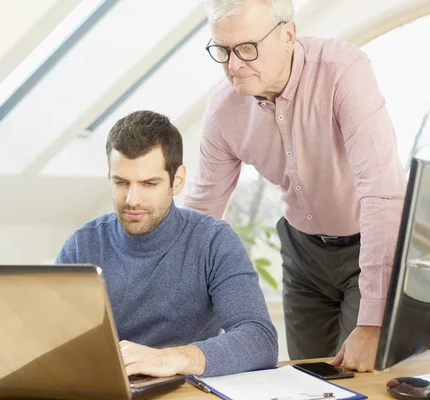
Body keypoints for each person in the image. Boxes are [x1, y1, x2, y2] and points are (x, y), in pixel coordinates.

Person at [184, 0, 406, 372]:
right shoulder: (223, 109)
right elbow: (200, 211)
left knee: (361, 376)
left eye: (247, 49)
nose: (233, 65)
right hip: (303, 255)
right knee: (309, 377)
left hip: (368, 244)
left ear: (288, 35)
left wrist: (373, 321)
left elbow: (381, 191)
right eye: (222, 50)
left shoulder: (343, 72)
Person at [56, 110, 278, 377]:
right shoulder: (83, 245)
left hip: (184, 389)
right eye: (121, 182)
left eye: (149, 183)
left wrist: (170, 359)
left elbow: (260, 339)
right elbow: (50, 337)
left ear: (177, 180)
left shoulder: (213, 241)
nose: (132, 200)